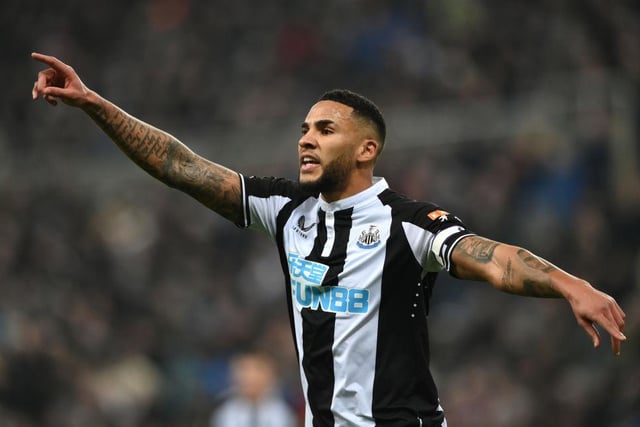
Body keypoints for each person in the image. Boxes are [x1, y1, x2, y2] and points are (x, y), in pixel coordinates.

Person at [31, 52, 626, 427]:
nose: (306, 140)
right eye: (303, 130)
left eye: (325, 129)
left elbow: (495, 260)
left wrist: (569, 284)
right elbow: (180, 166)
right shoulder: (285, 208)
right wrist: (93, 104)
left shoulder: (407, 223)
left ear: (367, 149)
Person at [211, 350, 298, 427]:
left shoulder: (282, 413)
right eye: (243, 370)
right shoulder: (225, 414)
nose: (249, 377)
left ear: (271, 375)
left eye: (256, 370)